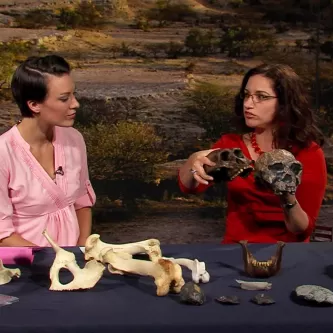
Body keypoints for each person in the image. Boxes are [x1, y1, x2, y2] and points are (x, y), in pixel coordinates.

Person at [178, 63, 327, 244]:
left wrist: (286, 197)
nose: (248, 104)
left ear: (285, 103)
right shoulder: (230, 145)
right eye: (247, 95)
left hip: (288, 254)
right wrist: (195, 160)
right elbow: (189, 187)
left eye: (261, 97)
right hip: (236, 251)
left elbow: (302, 231)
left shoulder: (308, 153)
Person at [0, 55, 96, 247]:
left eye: (73, 95)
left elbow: (82, 203)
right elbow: (3, 235)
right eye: (64, 98)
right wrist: (54, 259)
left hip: (72, 264)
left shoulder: (74, 139)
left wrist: (81, 251)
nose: (75, 104)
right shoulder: (4, 154)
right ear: (34, 104)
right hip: (25, 267)